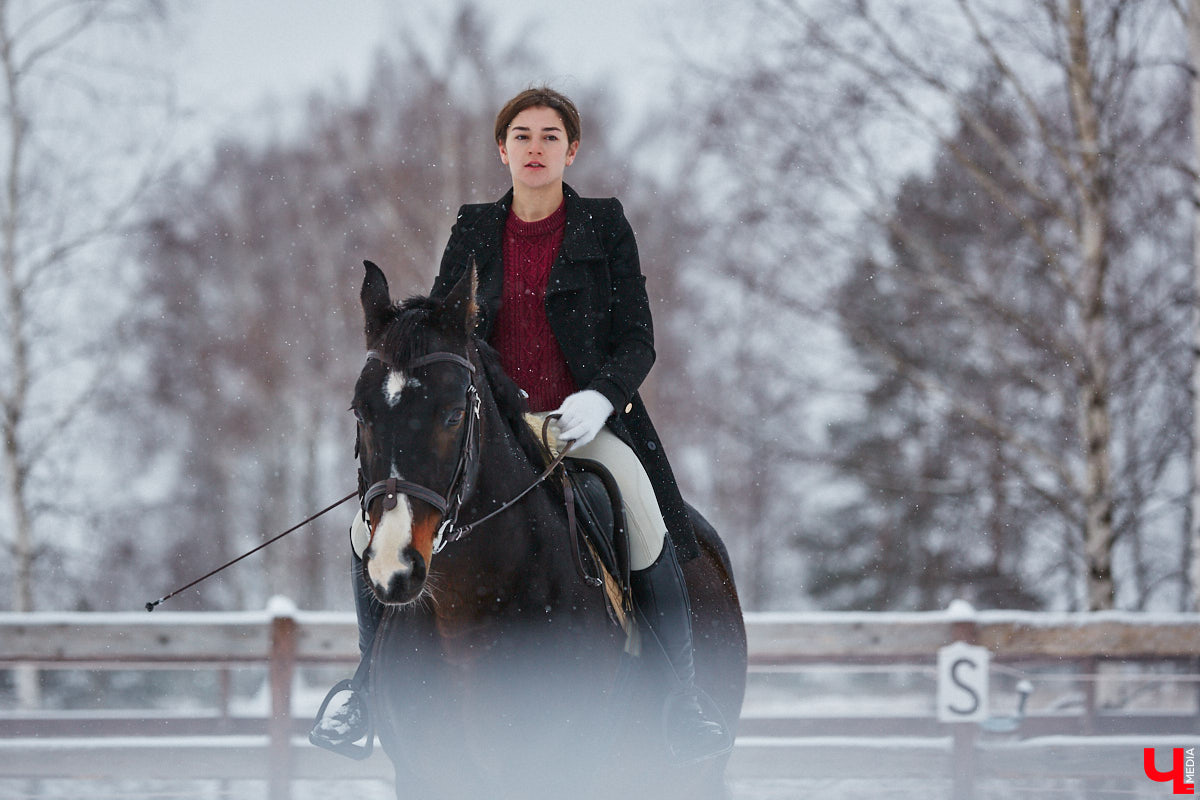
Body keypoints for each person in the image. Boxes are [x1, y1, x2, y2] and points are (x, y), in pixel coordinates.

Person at [311, 87, 730, 764]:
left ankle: (680, 696)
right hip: (500, 421)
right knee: (367, 525)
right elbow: (448, 327)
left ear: (572, 149)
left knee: (646, 517)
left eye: (550, 136)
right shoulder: (475, 227)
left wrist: (602, 396)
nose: (536, 148)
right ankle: (367, 685)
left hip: (583, 424)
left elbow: (638, 339)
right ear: (503, 150)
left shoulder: (604, 225)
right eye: (523, 136)